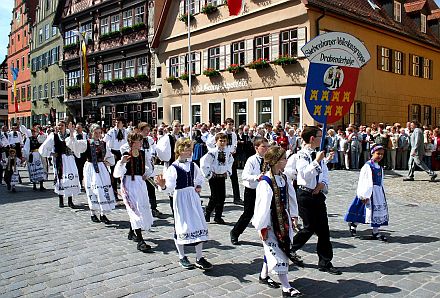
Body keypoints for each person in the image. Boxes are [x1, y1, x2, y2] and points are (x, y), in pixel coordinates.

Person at [290, 126, 341, 275]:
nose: (322, 139)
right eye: (320, 136)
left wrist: (323, 183)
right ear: (312, 138)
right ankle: (290, 247)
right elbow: (305, 175)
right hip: (305, 195)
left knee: (324, 230)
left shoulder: (318, 154)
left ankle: (325, 262)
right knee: (309, 227)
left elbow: (324, 172)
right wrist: (317, 162)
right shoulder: (301, 156)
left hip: (318, 195)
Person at [252, 146, 302, 297]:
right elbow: (262, 207)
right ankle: (286, 287)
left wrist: (293, 215)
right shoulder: (265, 181)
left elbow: (291, 197)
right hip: (270, 222)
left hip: (283, 220)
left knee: (275, 249)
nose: (286, 161)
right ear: (275, 162)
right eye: (283, 159)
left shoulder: (284, 177)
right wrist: (262, 227)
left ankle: (263, 275)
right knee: (279, 252)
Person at [155, 138, 212, 270]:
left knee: (198, 223)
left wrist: (198, 185)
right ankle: (182, 256)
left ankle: (199, 257)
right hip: (180, 198)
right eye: (187, 150)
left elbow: (199, 178)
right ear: (179, 151)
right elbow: (169, 188)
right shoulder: (173, 168)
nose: (190, 153)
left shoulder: (193, 165)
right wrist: (163, 186)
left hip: (192, 197)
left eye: (190, 150)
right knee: (181, 225)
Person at [113, 132, 154, 253]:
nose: (141, 143)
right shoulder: (126, 154)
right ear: (132, 142)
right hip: (129, 184)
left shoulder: (142, 153)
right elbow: (117, 173)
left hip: (140, 184)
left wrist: (146, 174)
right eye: (138, 141)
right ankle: (140, 240)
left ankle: (132, 232)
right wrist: (122, 163)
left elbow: (148, 167)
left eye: (141, 141)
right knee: (134, 209)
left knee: (141, 207)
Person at [68, 124, 116, 224]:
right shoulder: (87, 143)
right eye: (96, 133)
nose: (98, 135)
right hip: (91, 168)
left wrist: (108, 162)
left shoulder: (103, 143)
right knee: (93, 190)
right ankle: (93, 213)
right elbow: (74, 145)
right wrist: (72, 133)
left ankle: (103, 214)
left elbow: (109, 156)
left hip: (102, 169)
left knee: (104, 190)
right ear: (91, 133)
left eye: (99, 132)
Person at [344, 145, 389, 241]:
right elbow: (364, 181)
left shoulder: (380, 167)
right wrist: (364, 195)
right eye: (378, 154)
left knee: (377, 212)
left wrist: (381, 192)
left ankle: (375, 232)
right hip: (368, 192)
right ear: (372, 153)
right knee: (363, 211)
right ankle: (354, 224)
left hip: (377, 193)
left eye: (382, 154)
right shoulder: (368, 166)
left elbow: (380, 181)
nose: (380, 156)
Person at [230, 137, 269, 245]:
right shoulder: (252, 160)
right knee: (248, 213)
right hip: (252, 189)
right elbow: (244, 175)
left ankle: (268, 235)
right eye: (263, 147)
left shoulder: (269, 160)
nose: (266, 149)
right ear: (256, 148)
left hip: (264, 190)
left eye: (267, 146)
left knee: (267, 212)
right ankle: (235, 232)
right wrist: (257, 177)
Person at [39, 121, 81, 208]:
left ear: (65, 126)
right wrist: (51, 153)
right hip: (60, 160)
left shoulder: (70, 134)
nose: (60, 127)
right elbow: (43, 148)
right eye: (59, 125)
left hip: (69, 159)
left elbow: (76, 145)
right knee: (60, 178)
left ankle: (70, 200)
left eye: (62, 125)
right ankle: (61, 199)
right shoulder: (53, 136)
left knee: (70, 178)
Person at [200, 132, 234, 224]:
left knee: (222, 197)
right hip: (214, 177)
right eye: (220, 141)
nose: (222, 143)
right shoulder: (212, 153)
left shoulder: (227, 153)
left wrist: (227, 171)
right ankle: (207, 212)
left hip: (222, 177)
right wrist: (209, 174)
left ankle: (218, 216)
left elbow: (230, 162)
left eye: (224, 141)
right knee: (214, 197)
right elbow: (204, 163)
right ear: (216, 141)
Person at [104, 117, 128, 198]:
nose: (117, 124)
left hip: (123, 153)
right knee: (114, 173)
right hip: (114, 152)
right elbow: (105, 142)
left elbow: (128, 142)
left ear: (123, 123)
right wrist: (110, 153)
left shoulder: (126, 132)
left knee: (123, 173)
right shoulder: (111, 132)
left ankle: (124, 193)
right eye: (116, 122)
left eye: (119, 122)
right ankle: (114, 194)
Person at [223, 118, 243, 205]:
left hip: (231, 157)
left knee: (234, 178)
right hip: (223, 157)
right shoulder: (222, 134)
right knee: (222, 177)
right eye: (229, 124)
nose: (230, 126)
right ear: (225, 125)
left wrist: (234, 149)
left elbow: (235, 144)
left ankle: (237, 197)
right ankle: (221, 197)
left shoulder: (234, 134)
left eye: (232, 124)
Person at [74, 123, 88, 189]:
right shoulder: (73, 135)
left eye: (79, 128)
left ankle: (84, 182)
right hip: (76, 154)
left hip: (84, 154)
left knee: (84, 168)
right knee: (78, 168)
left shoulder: (85, 135)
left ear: (82, 128)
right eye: (76, 128)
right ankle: (79, 182)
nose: (77, 129)